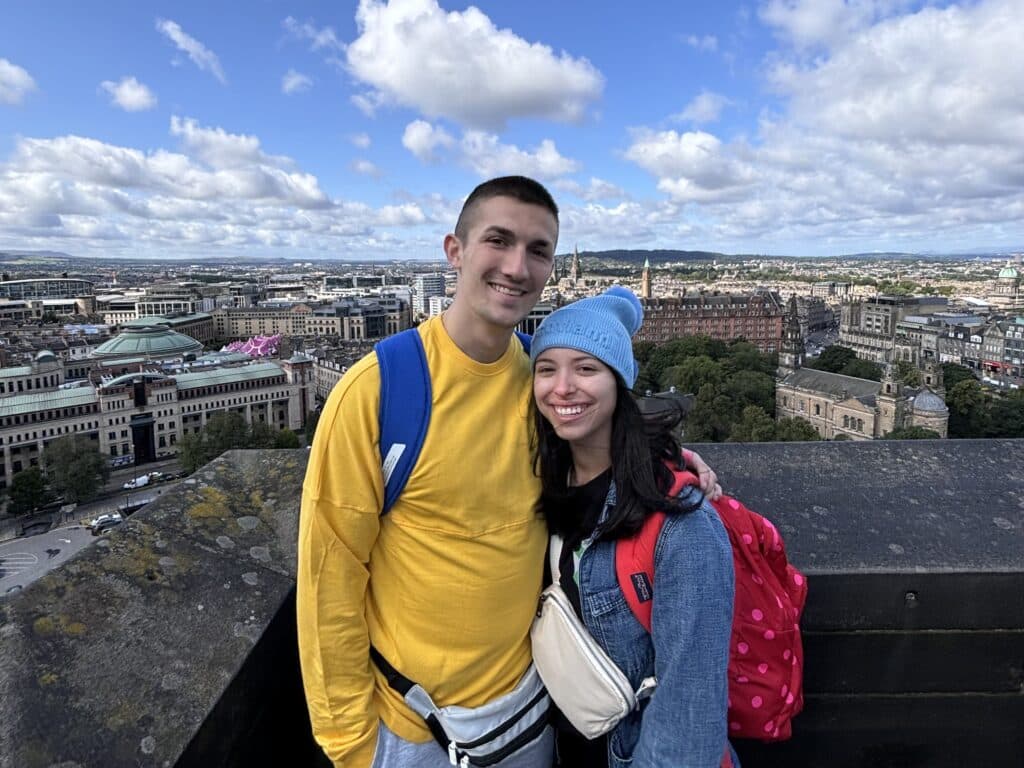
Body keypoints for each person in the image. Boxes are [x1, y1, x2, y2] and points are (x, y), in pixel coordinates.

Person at [297, 176, 720, 768]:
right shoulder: (376, 393)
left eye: (538, 250)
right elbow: (328, 579)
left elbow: (602, 441)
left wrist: (669, 462)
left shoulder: (542, 382)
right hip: (411, 726)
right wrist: (353, 746)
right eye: (499, 240)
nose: (517, 266)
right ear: (455, 250)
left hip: (533, 710)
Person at [530, 286, 737, 768]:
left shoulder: (683, 525)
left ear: (618, 381)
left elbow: (690, 719)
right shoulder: (545, 475)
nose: (562, 387)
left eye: (586, 369)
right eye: (546, 369)